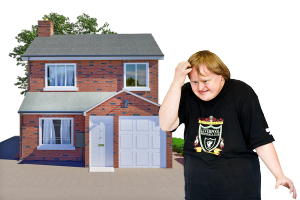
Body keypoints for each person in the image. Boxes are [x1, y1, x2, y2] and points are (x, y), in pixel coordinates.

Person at [159, 50, 297, 199]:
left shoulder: (242, 93)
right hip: (198, 190)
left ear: (221, 76)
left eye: (206, 81)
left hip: (239, 190)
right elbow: (166, 125)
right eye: (194, 82)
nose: (200, 88)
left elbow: (261, 140)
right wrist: (176, 83)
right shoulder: (185, 93)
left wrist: (279, 174)